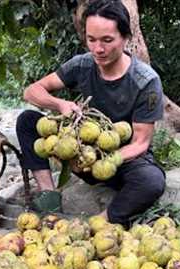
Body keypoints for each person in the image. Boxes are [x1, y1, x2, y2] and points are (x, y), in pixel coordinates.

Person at [16, 0, 166, 226]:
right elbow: (31, 91)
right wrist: (60, 105)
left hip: (116, 160)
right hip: (79, 152)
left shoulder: (145, 81)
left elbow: (140, 143)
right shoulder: (82, 65)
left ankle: (100, 221)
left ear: (125, 38)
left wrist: (102, 161)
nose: (98, 49)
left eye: (107, 40)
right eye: (91, 40)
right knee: (27, 121)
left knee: (151, 181)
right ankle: (49, 197)